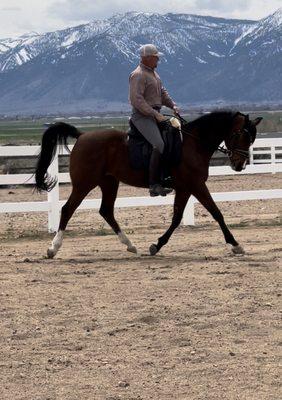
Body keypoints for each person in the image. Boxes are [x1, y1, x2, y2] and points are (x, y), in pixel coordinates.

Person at [129, 43, 180, 197]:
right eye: (156, 58)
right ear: (148, 58)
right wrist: (156, 115)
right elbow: (137, 100)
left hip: (154, 114)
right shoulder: (138, 75)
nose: (158, 60)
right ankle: (154, 184)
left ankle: (167, 174)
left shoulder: (154, 74)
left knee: (174, 134)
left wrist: (173, 105)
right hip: (142, 116)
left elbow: (162, 93)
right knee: (158, 143)